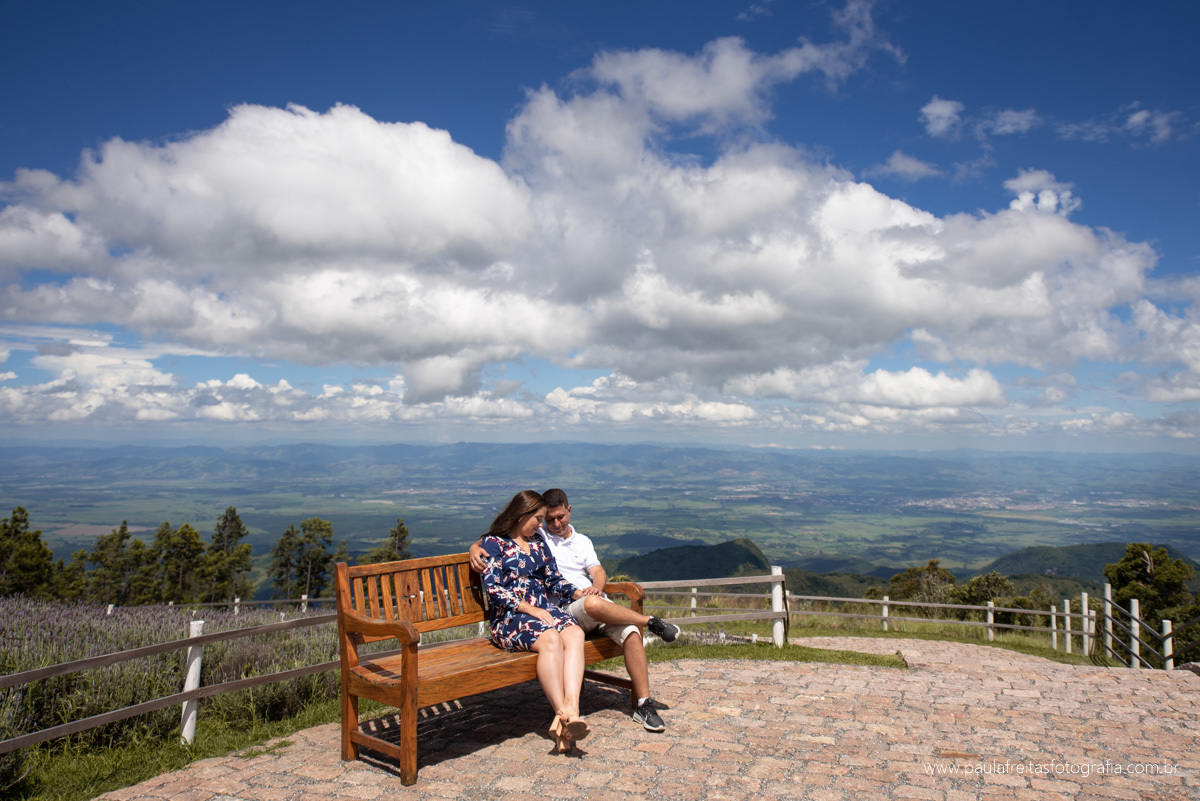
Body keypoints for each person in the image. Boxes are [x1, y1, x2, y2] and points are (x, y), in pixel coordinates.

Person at [471, 488, 680, 732]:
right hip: (532, 613)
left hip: (566, 607)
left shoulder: (547, 542)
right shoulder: (518, 540)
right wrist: (475, 548)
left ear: (569, 511)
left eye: (549, 519)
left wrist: (585, 592)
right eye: (542, 519)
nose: (547, 524)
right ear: (522, 514)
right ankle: (650, 622)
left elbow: (561, 578)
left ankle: (627, 705)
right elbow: (493, 580)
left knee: (617, 631)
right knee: (573, 620)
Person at [478, 490, 591, 753]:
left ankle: (571, 710)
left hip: (542, 613)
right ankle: (563, 713)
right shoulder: (494, 544)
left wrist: (580, 595)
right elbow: (493, 589)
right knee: (551, 638)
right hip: (511, 618)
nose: (541, 525)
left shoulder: (538, 541)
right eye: (537, 519)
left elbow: (553, 579)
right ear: (521, 515)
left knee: (574, 633)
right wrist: (528, 608)